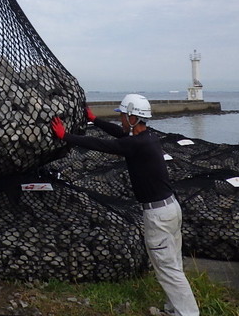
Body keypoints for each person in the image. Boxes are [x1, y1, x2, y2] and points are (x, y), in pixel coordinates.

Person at [50, 94, 199, 316]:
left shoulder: (137, 144)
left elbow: (103, 144)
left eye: (123, 116)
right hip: (169, 209)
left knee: (167, 267)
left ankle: (188, 314)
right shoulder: (146, 138)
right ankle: (174, 310)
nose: (120, 119)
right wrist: (94, 120)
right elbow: (119, 135)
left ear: (133, 117)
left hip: (158, 214)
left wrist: (66, 136)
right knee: (172, 263)